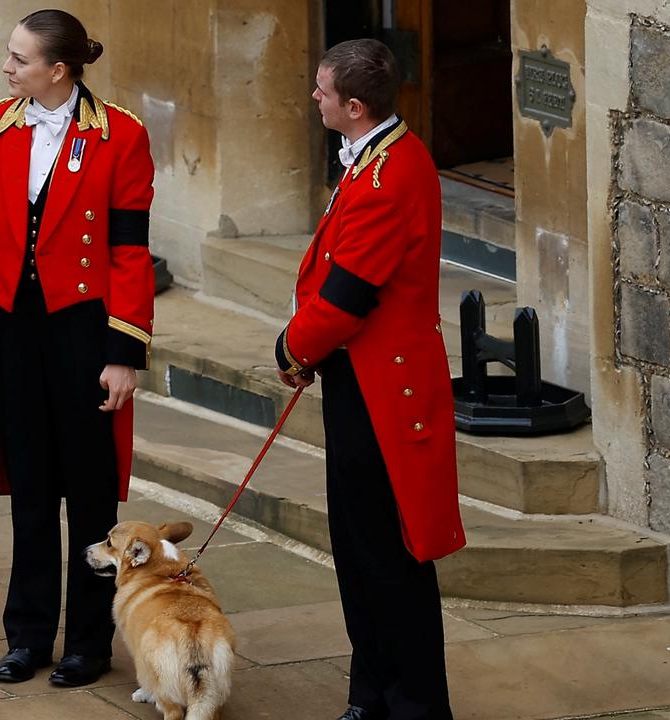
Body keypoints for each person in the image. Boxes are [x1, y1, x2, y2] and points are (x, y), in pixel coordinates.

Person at [0, 8, 156, 689]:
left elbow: (129, 252)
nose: (7, 68)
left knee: (91, 496)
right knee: (30, 489)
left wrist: (124, 352)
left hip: (84, 334)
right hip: (11, 331)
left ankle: (89, 642)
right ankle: (28, 635)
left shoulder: (121, 134)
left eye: (19, 59)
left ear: (57, 70)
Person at [274, 39, 466, 720]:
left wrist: (290, 347)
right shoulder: (377, 157)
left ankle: (411, 704)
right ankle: (373, 694)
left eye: (323, 91)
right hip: (360, 377)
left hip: (385, 392)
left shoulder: (389, 178)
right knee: (359, 552)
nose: (315, 98)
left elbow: (349, 295)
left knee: (388, 557)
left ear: (354, 107)